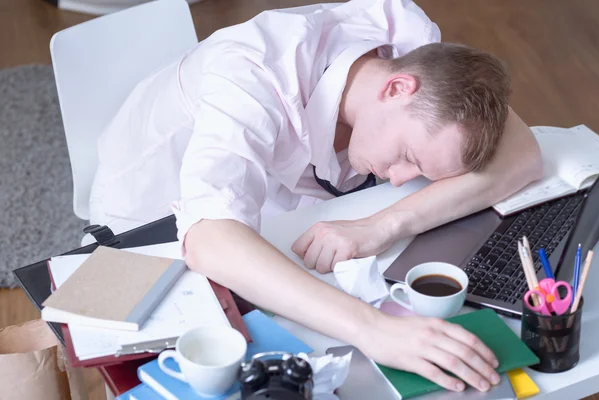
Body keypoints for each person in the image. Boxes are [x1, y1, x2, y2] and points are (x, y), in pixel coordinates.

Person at [90, 0, 543, 393]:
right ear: (398, 88)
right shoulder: (250, 76)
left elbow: (522, 151)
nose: (403, 181)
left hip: (281, 207)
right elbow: (209, 237)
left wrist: (384, 224)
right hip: (149, 226)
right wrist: (376, 331)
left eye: (419, 169)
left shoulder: (412, 54)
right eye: (407, 155)